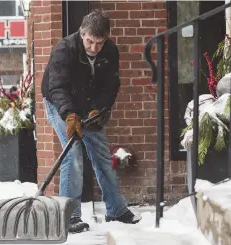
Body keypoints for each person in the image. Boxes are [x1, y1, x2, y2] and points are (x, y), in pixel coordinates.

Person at [41, 11, 141, 233]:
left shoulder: (110, 51)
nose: (95, 48)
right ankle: (70, 216)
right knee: (73, 156)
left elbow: (111, 86)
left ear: (106, 38)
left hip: (90, 108)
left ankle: (116, 209)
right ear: (81, 33)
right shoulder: (64, 50)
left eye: (100, 42)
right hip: (61, 104)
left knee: (102, 157)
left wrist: (100, 110)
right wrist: (69, 114)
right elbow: (56, 86)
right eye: (90, 41)